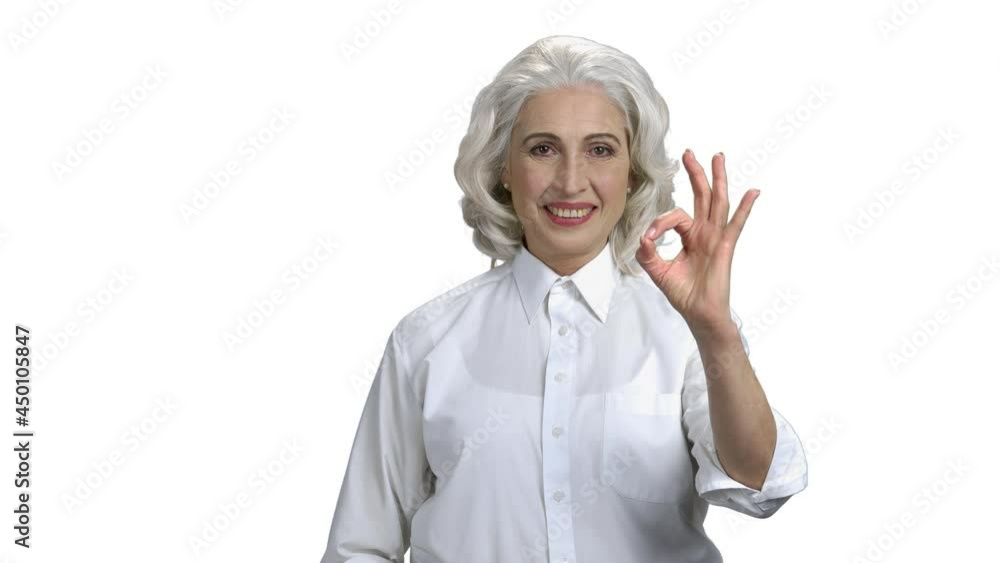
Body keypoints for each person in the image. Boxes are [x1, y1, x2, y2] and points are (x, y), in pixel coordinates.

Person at [319, 34, 808, 563]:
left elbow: (757, 484)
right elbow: (360, 547)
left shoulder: (685, 330)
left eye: (600, 150)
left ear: (633, 172)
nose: (572, 182)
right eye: (543, 149)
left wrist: (716, 332)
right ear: (503, 169)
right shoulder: (426, 339)